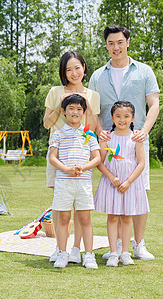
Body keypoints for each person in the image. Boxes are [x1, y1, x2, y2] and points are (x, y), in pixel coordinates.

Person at [89, 24, 159, 260]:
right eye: (110, 43)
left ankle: (138, 244)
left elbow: (154, 104)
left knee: (138, 191)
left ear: (127, 42)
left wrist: (143, 131)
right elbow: (93, 110)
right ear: (106, 45)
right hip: (108, 142)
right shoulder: (98, 75)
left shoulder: (144, 71)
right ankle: (117, 246)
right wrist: (100, 132)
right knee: (114, 190)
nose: (115, 47)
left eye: (119, 42)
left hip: (135, 141)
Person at [43, 51, 100, 264]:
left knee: (82, 208)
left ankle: (77, 249)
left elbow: (92, 127)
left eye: (77, 67)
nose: (74, 73)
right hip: (59, 153)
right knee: (60, 206)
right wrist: (61, 104)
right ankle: (60, 249)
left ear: (84, 68)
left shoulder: (92, 95)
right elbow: (47, 124)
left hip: (82, 157)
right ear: (63, 72)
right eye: (68, 69)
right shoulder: (54, 91)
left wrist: (86, 104)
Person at [94, 101, 149, 266]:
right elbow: (100, 162)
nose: (122, 120)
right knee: (112, 217)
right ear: (112, 117)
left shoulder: (136, 138)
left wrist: (128, 182)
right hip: (112, 184)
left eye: (126, 116)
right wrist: (111, 177)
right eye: (118, 116)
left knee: (127, 218)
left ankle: (125, 252)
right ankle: (113, 252)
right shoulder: (107, 137)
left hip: (130, 185)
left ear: (132, 118)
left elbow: (141, 163)